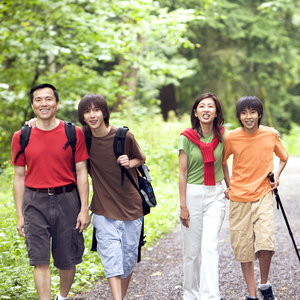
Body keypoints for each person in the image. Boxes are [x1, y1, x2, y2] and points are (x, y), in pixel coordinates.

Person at [11, 83, 90, 300]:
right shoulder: (21, 136)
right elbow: (18, 177)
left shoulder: (73, 132)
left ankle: (62, 297)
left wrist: (84, 209)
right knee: (39, 259)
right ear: (33, 105)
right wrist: (19, 214)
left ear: (56, 103)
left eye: (48, 99)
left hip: (67, 199)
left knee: (67, 258)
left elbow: (82, 172)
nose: (43, 104)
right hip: (34, 201)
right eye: (38, 100)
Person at [77, 94, 145, 300]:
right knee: (111, 259)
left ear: (104, 112)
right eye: (87, 111)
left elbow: (141, 158)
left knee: (128, 259)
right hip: (103, 209)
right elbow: (57, 128)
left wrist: (129, 162)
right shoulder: (83, 137)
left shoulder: (123, 136)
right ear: (82, 116)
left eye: (96, 110)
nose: (92, 115)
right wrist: (34, 123)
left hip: (131, 208)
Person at [222, 95, 289, 300]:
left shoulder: (270, 134)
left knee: (265, 242)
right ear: (239, 116)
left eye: (252, 112)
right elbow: (223, 162)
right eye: (243, 113)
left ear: (259, 114)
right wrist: (229, 185)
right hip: (239, 198)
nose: (248, 116)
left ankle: (264, 285)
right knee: (243, 247)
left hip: (263, 194)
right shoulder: (231, 137)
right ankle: (252, 295)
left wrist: (276, 175)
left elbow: (283, 157)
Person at [178, 93, 229, 300]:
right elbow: (182, 173)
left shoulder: (224, 136)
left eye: (211, 106)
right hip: (192, 194)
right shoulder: (186, 137)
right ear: (195, 112)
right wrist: (183, 205)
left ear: (216, 112)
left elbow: (225, 163)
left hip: (215, 194)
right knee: (191, 251)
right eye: (202, 106)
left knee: (209, 247)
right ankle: (190, 295)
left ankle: (210, 296)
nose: (206, 110)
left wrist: (230, 186)